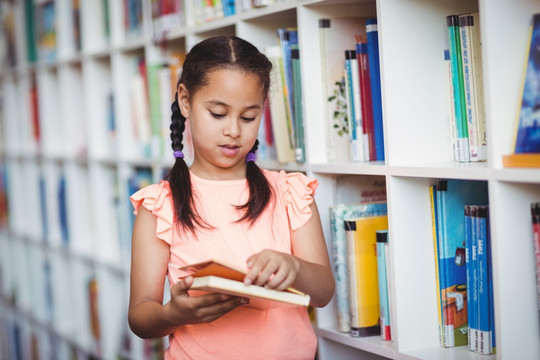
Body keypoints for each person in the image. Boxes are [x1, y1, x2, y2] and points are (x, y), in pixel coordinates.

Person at [128, 35, 335, 360]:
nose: (234, 130)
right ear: (185, 100)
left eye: (248, 117)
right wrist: (176, 314)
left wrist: (294, 267)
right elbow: (140, 315)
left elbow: (323, 292)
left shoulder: (291, 193)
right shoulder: (160, 205)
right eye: (218, 114)